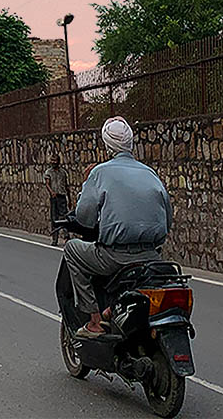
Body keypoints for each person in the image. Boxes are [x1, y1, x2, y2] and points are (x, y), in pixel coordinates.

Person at [63, 117, 172, 337]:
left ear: (107, 145)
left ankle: (93, 320)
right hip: (152, 256)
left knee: (72, 250)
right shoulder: (150, 173)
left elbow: (84, 218)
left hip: (116, 257)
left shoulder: (100, 173)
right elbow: (167, 219)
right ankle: (113, 310)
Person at [44, 154, 70, 246]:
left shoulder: (63, 172)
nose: (53, 162)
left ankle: (66, 237)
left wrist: (69, 197)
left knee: (64, 217)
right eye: (52, 160)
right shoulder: (48, 172)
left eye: (55, 160)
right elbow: (47, 184)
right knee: (54, 218)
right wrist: (51, 192)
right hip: (54, 198)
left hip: (62, 196)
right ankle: (55, 239)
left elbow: (66, 185)